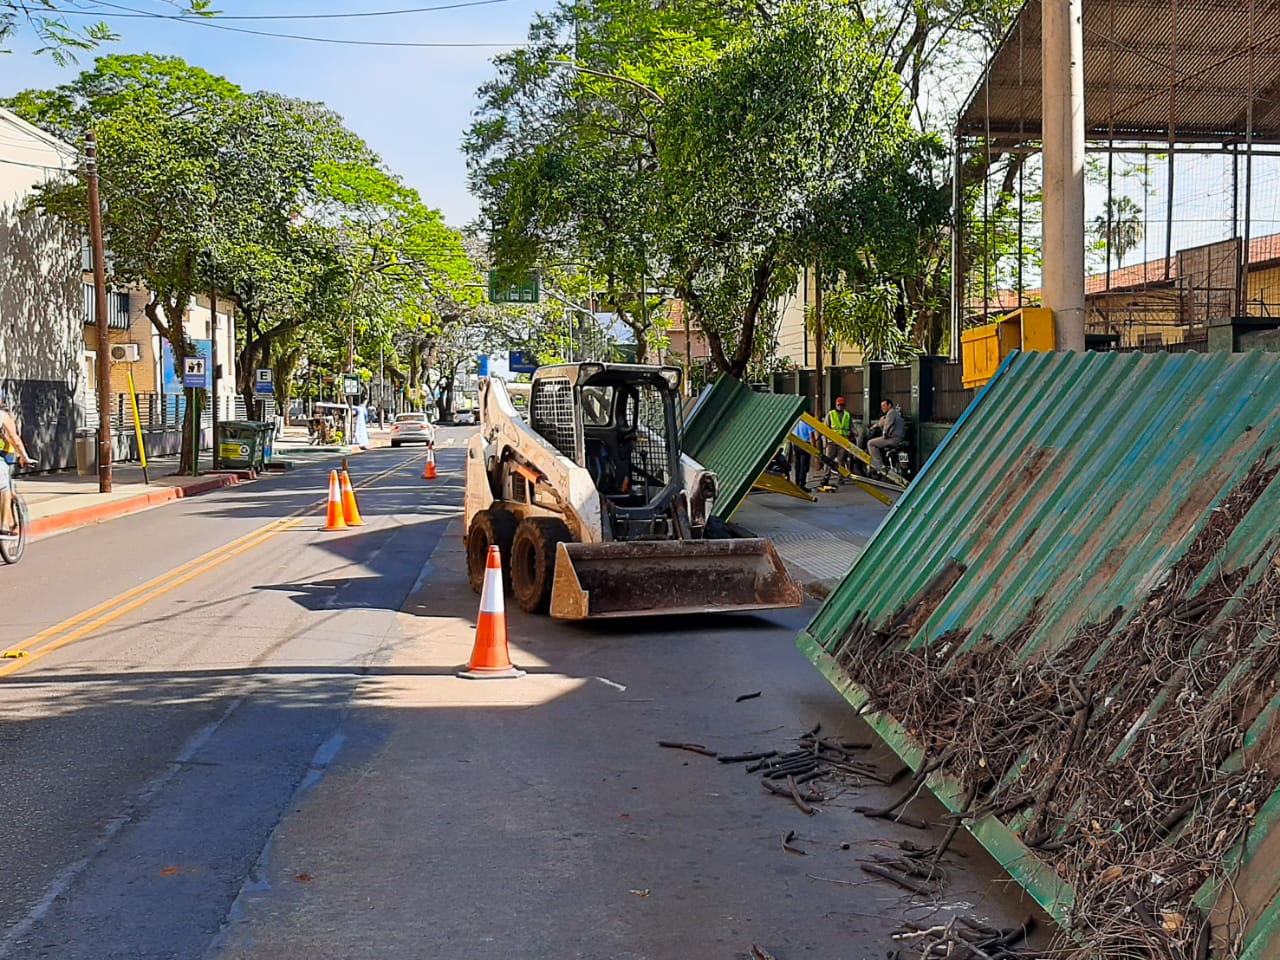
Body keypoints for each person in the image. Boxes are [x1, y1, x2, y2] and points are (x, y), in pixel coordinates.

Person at [0, 395, 33, 535]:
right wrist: (25, 457)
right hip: (2, 458)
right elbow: (15, 439)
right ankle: (2, 526)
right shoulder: (3, 416)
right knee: (4, 489)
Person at [823, 397, 856, 484]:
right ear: (836, 405)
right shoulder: (831, 414)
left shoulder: (847, 415)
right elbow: (825, 428)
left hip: (843, 441)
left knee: (841, 460)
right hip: (832, 441)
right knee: (828, 459)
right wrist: (825, 441)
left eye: (842, 405)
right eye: (838, 405)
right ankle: (826, 477)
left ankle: (840, 478)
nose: (840, 406)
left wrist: (855, 431)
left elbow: (851, 426)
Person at [868, 398, 906, 471]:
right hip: (900, 438)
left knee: (870, 443)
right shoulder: (895, 413)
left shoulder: (891, 413)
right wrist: (876, 425)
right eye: (882, 406)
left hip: (893, 439)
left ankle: (879, 466)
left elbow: (887, 426)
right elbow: (883, 423)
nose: (882, 408)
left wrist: (884, 434)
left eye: (884, 406)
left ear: (889, 405)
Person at [790, 418, 817, 491]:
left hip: (796, 444)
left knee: (797, 465)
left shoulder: (796, 422)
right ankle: (801, 485)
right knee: (804, 466)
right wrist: (814, 450)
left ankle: (797, 482)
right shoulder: (808, 423)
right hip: (805, 445)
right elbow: (812, 437)